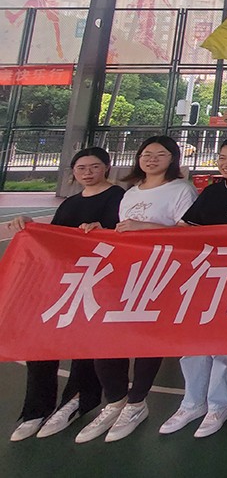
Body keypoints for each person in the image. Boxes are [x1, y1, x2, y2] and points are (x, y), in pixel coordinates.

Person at [76, 136, 198, 444]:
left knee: (148, 340)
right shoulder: (130, 192)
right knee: (107, 338)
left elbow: (188, 235)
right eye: (146, 153)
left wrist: (147, 229)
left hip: (162, 274)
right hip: (126, 273)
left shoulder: (182, 190)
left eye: (160, 154)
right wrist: (100, 231)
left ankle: (136, 403)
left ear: (173, 159)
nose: (152, 158)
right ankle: (115, 400)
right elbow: (124, 232)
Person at [7, 147, 121, 442]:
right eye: (81, 168)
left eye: (94, 166)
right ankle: (36, 409)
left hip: (100, 282)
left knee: (85, 341)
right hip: (65, 280)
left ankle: (78, 399)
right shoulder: (70, 203)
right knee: (42, 340)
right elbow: (55, 239)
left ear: (106, 168)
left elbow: (123, 237)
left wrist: (102, 230)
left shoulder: (118, 197)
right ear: (73, 172)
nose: (87, 172)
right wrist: (30, 226)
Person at [160, 137, 227, 439]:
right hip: (202, 275)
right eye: (222, 158)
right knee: (193, 342)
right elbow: (186, 228)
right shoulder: (211, 192)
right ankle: (191, 403)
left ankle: (219, 406)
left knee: (225, 347)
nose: (226, 163)